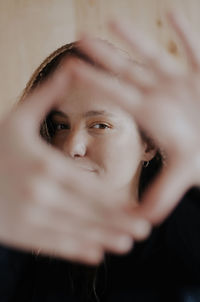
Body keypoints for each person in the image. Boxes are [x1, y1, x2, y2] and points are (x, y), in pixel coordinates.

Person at [0, 11, 200, 302]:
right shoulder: (28, 257)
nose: (72, 147)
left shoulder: (186, 249)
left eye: (100, 126)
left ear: (149, 145)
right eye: (59, 126)